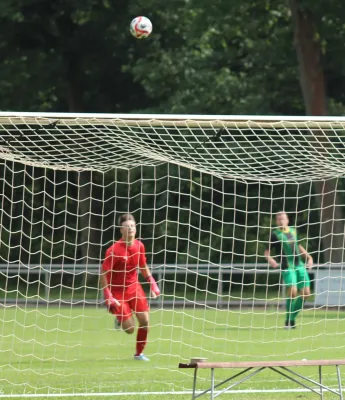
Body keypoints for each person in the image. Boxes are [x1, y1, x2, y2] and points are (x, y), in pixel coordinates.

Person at [100, 213, 160, 361]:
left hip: (134, 288)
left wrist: (152, 283)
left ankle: (139, 354)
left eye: (132, 226)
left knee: (145, 320)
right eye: (127, 227)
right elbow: (103, 273)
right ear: (121, 230)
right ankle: (120, 319)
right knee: (130, 329)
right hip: (118, 292)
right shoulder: (113, 250)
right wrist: (108, 295)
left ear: (136, 228)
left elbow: (143, 266)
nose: (130, 229)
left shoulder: (140, 246)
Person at [264, 211, 313, 329]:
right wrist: (271, 261)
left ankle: (291, 318)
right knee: (293, 292)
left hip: (299, 265)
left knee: (306, 293)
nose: (281, 221)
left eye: (283, 219)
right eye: (279, 219)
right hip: (287, 267)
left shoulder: (293, 231)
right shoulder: (274, 235)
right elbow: (266, 253)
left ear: (287, 220)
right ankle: (289, 321)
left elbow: (299, 246)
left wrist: (309, 257)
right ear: (276, 221)